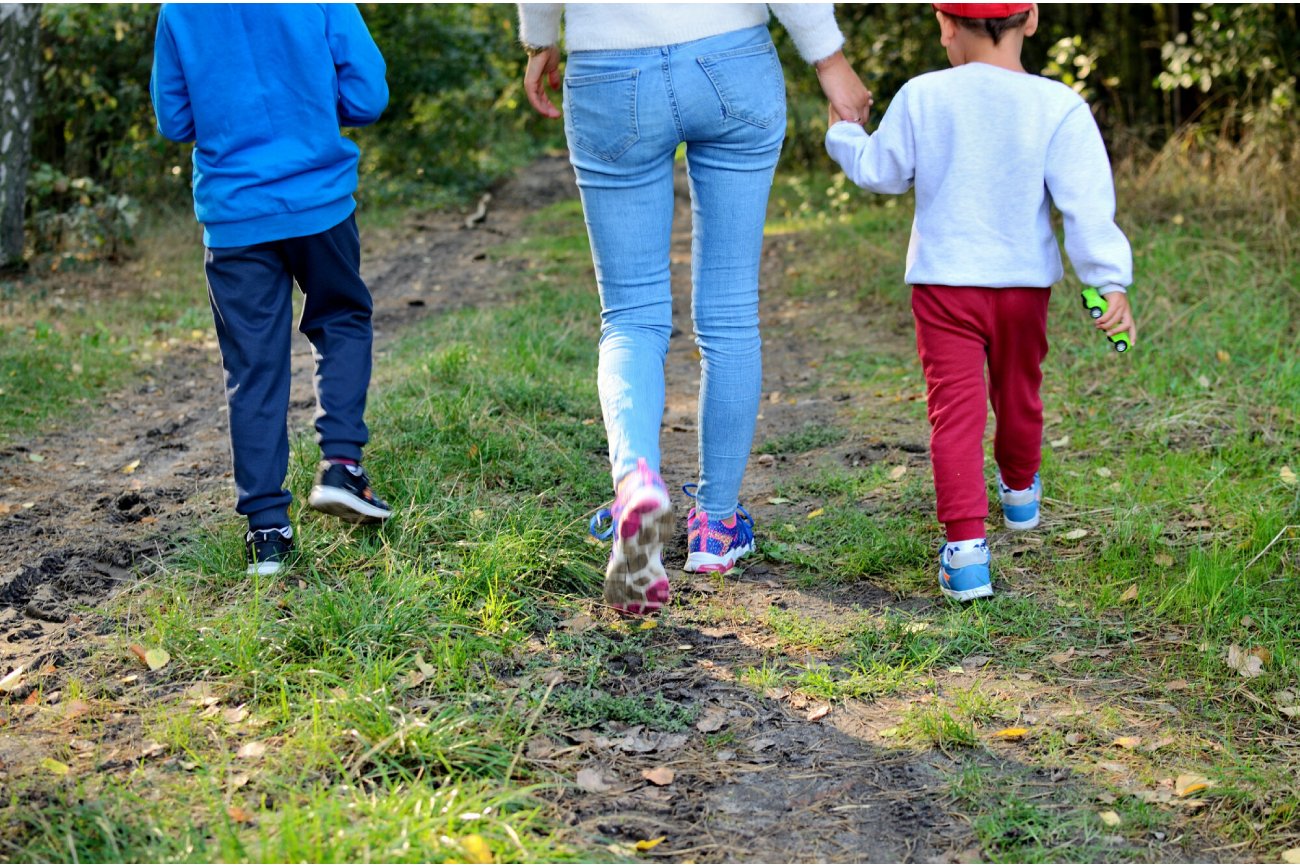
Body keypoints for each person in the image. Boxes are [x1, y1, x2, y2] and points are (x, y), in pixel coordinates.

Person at [519, 4, 872, 616]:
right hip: (732, 59)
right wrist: (830, 60)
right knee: (731, 311)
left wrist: (539, 40)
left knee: (630, 315)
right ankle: (715, 525)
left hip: (609, 70)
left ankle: (636, 484)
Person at [824, 2, 1136, 601]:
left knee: (955, 413)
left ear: (945, 25)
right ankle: (1019, 495)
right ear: (1033, 20)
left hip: (945, 289)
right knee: (1020, 389)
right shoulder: (1058, 106)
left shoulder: (923, 95)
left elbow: (882, 172)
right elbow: (1087, 207)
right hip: (1023, 290)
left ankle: (966, 555)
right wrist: (1108, 281)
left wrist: (843, 133)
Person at [151, 4, 393, 576]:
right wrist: (304, 109)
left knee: (253, 365)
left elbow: (174, 119)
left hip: (235, 216)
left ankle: (268, 533)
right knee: (340, 320)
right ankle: (341, 466)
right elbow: (366, 98)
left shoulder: (179, 10)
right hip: (318, 203)